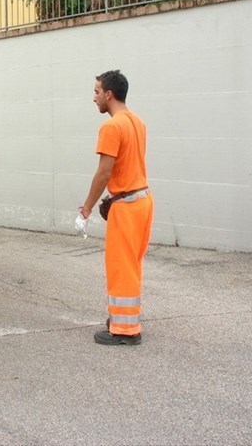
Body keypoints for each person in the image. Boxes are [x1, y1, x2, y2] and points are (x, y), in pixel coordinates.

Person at [78, 70, 154, 345]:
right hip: (142, 199)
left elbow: (104, 172)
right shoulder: (137, 122)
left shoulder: (111, 127)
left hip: (127, 206)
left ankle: (124, 330)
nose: (94, 97)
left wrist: (87, 207)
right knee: (132, 264)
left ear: (109, 95)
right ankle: (125, 318)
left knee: (121, 266)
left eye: (97, 92)